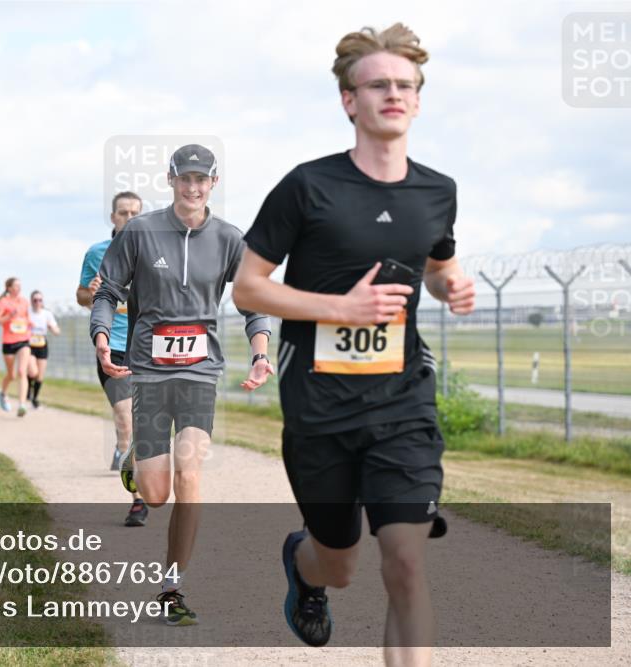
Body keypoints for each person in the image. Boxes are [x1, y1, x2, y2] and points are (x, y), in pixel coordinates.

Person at [231, 24, 477, 663]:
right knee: (338, 562)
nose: (393, 94)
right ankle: (304, 568)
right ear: (349, 100)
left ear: (418, 99)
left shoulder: (437, 191)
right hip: (320, 405)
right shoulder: (308, 187)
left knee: (405, 558)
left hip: (403, 403)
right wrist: (339, 308)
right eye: (378, 85)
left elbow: (438, 261)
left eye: (405, 85)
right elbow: (249, 288)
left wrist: (451, 286)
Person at [91, 145, 273, 625]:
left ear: (214, 182)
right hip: (148, 372)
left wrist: (260, 353)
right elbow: (108, 291)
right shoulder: (140, 232)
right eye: (185, 178)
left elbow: (253, 300)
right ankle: (137, 461)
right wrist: (103, 338)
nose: (193, 187)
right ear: (170, 179)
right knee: (155, 494)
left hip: (199, 372)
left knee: (190, 476)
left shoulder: (231, 238)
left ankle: (172, 585)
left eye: (202, 179)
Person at [77, 191, 148, 527]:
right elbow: (80, 296)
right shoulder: (97, 253)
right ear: (112, 217)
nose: (129, 218)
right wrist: (91, 294)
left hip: (150, 346)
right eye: (123, 212)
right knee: (126, 419)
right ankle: (138, 501)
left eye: (135, 212)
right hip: (113, 347)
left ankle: (127, 453)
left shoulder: (156, 252)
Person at [0, 277, 32, 417]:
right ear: (9, 288)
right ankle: (2, 393)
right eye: (15, 286)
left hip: (23, 340)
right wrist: (9, 316)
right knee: (12, 374)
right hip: (9, 342)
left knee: (22, 371)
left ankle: (22, 404)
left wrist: (29, 323)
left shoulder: (25, 301)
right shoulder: (4, 302)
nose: (18, 288)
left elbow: (27, 318)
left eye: (19, 286)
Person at [25, 290, 60, 409]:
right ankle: (28, 389)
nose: (37, 302)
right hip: (29, 345)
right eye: (35, 300)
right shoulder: (27, 313)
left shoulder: (47, 314)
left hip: (42, 344)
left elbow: (56, 329)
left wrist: (53, 329)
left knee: (40, 375)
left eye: (40, 300)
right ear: (31, 301)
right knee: (32, 372)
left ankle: (35, 398)